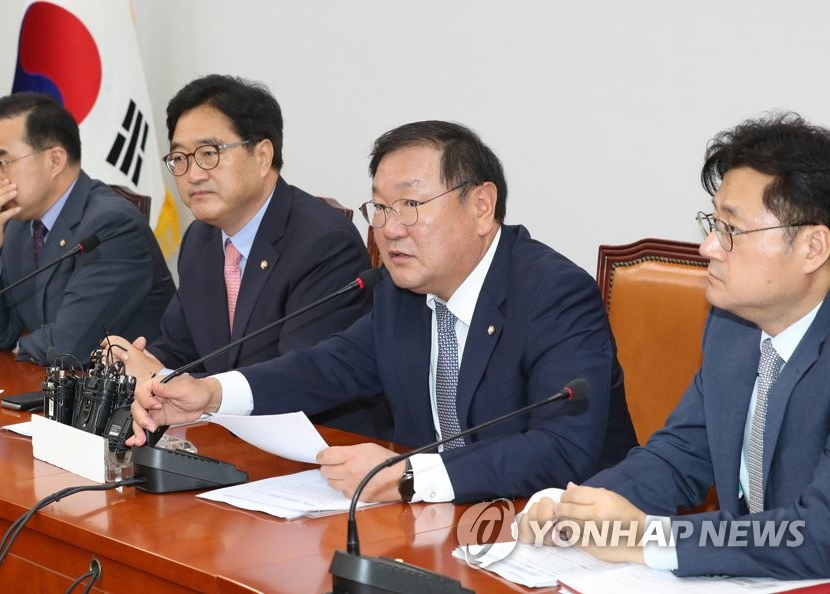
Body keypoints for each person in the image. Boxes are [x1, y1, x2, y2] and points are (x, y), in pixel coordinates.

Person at [129, 120, 637, 504]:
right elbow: (330, 366)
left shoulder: (554, 293)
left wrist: (413, 475)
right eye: (380, 208)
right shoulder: (401, 291)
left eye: (410, 206)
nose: (390, 229)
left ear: (482, 206)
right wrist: (211, 394)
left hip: (567, 534)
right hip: (439, 524)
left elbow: (562, 448)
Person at [519, 112, 830, 578]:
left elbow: (819, 534)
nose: (708, 247)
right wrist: (573, 509)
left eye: (731, 230)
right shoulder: (731, 330)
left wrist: (652, 538)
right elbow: (679, 455)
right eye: (713, 223)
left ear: (813, 248)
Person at [109, 74, 391, 439]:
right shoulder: (201, 239)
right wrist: (134, 361)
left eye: (208, 154)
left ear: (262, 156)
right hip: (223, 439)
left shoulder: (324, 242)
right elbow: (181, 345)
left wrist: (163, 379)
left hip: (316, 447)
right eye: (180, 158)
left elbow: (298, 379)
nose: (193, 174)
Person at [0, 92, 174, 364]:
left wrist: (20, 346)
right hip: (54, 382)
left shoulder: (112, 226)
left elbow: (68, 345)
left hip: (133, 387)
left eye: (2, 163)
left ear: (55, 160)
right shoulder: (18, 227)